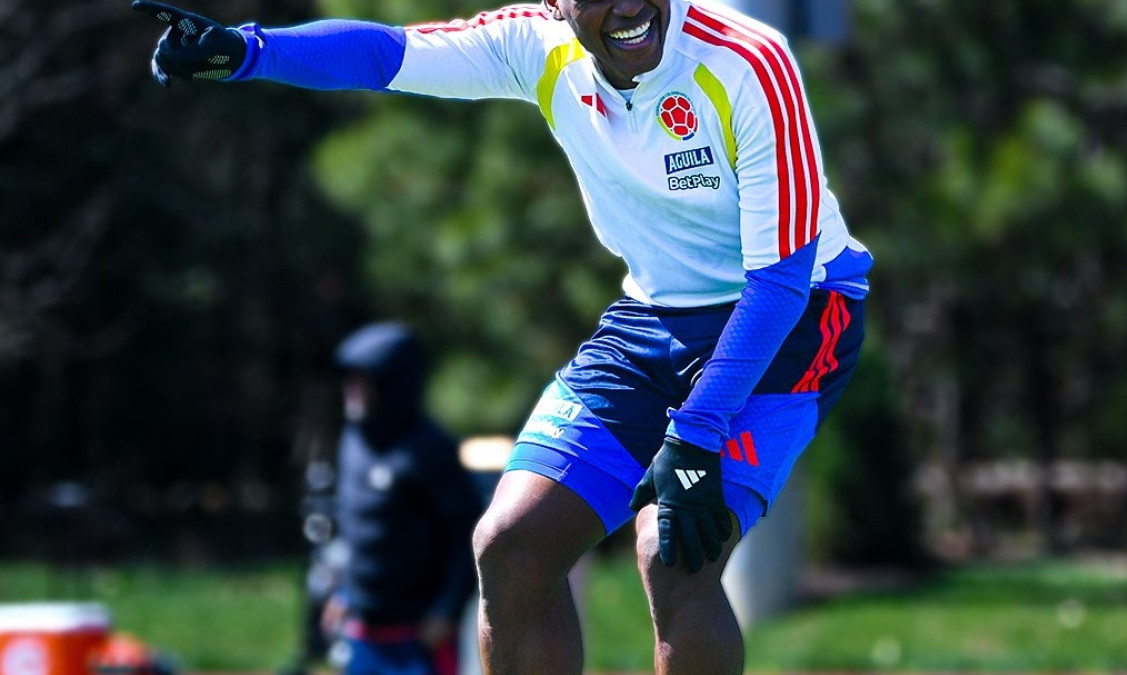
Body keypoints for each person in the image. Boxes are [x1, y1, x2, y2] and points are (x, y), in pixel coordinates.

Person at [132, 1, 874, 673]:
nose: (629, 6)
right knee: (510, 545)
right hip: (652, 317)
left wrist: (698, 433)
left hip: (795, 316)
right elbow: (386, 55)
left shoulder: (747, 59)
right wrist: (248, 50)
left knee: (671, 550)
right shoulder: (533, 45)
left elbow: (778, 281)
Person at [323, 322, 483, 675]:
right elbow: (351, 526)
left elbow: (465, 537)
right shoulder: (353, 440)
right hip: (361, 632)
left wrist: (447, 611)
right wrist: (341, 592)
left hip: (418, 637)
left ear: (392, 382)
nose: (350, 390)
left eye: (361, 379)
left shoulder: (429, 449)